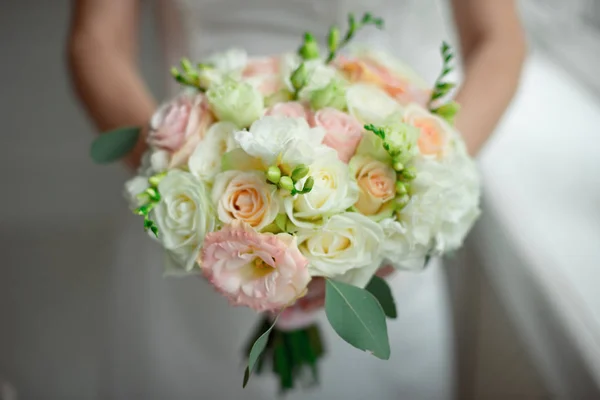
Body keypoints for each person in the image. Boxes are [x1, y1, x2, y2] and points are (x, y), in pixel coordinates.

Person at [67, 0, 526, 398]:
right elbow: (95, 42)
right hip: (195, 218)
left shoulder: (398, 205)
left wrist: (421, 186)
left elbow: (498, 39)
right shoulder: (190, 198)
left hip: (382, 236)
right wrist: (177, 173)